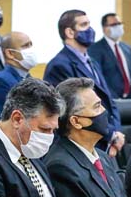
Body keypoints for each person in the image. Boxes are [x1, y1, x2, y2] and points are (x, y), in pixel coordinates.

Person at [44, 9, 124, 155]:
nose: (90, 29)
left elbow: (108, 100)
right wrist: (111, 135)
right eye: (84, 25)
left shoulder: (92, 61)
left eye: (89, 24)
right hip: (83, 142)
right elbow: (70, 111)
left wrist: (116, 133)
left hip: (105, 141)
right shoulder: (59, 65)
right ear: (70, 32)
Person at [0, 31, 35, 127]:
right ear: (10, 53)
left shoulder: (29, 78)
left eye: (31, 45)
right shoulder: (0, 82)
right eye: (25, 46)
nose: (31, 49)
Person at [89, 13, 131, 99]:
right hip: (110, 99)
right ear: (104, 28)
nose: (118, 27)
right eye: (114, 25)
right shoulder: (95, 49)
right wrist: (113, 98)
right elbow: (98, 78)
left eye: (119, 23)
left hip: (130, 99)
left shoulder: (127, 48)